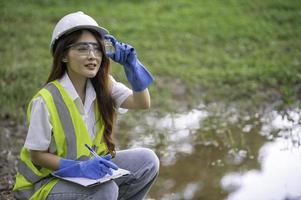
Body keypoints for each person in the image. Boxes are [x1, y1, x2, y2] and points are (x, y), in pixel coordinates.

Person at [13, 11, 159, 200]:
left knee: (148, 161)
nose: (92, 56)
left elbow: (142, 103)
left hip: (87, 174)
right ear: (64, 55)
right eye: (82, 49)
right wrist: (78, 169)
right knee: (106, 191)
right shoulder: (46, 99)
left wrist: (133, 67)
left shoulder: (104, 84)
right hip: (46, 184)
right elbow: (37, 155)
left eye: (97, 48)